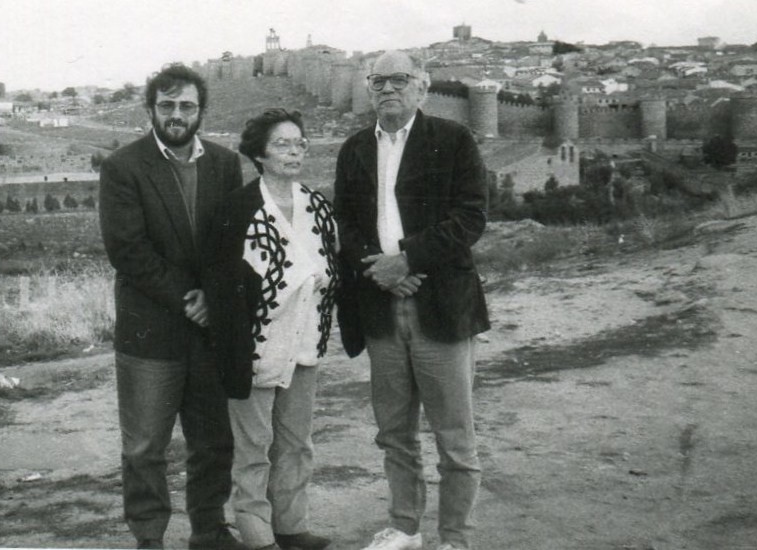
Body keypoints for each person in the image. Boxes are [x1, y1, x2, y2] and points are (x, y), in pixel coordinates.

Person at [333, 51, 491, 550]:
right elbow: (345, 225)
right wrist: (379, 271)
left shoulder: (453, 139)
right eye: (377, 81)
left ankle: (454, 538)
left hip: (439, 304)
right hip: (381, 308)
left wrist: (407, 259)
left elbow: (471, 217)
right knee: (394, 432)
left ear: (422, 87)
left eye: (399, 80)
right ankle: (404, 528)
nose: (387, 89)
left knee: (454, 437)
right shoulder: (355, 148)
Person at [98, 63, 247, 550]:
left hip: (209, 333)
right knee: (145, 446)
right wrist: (193, 298)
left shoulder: (225, 164)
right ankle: (149, 538)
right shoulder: (123, 166)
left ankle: (208, 530)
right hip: (151, 331)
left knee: (214, 441)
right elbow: (128, 251)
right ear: (151, 109)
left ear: (201, 110)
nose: (177, 115)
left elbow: (232, 242)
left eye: (186, 106)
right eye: (167, 105)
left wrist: (215, 297)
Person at [203, 108, 338, 550]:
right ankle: (256, 532)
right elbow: (222, 291)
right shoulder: (236, 210)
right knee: (253, 446)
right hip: (255, 346)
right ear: (259, 154)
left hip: (305, 343)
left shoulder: (317, 206)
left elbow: (333, 268)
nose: (294, 151)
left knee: (297, 443)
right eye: (282, 144)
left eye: (300, 143)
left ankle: (291, 525)